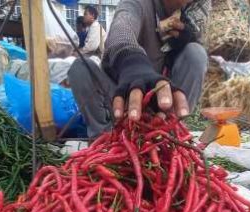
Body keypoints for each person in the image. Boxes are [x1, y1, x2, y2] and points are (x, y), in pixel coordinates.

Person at [68, 0, 210, 139]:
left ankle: (172, 135)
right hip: (119, 99)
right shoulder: (137, 4)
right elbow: (121, 31)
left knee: (195, 53)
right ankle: (104, 138)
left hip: (159, 106)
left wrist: (187, 39)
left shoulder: (186, 17)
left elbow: (195, 52)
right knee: (81, 67)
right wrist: (133, 63)